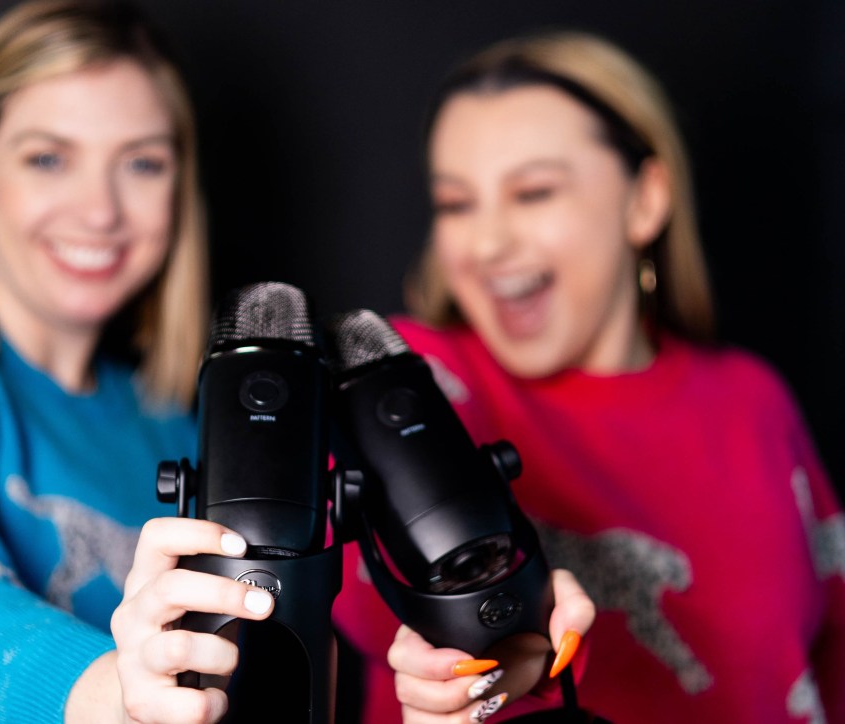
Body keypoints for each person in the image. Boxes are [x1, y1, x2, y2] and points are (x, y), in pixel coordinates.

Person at [0, 2, 595, 722]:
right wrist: (113, 697)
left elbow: (304, 676)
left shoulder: (188, 424)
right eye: (48, 158)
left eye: (143, 164)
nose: (99, 209)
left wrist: (464, 661)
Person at [332, 29, 845, 723]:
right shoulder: (408, 386)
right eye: (456, 203)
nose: (487, 243)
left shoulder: (753, 399)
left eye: (534, 192)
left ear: (645, 200)